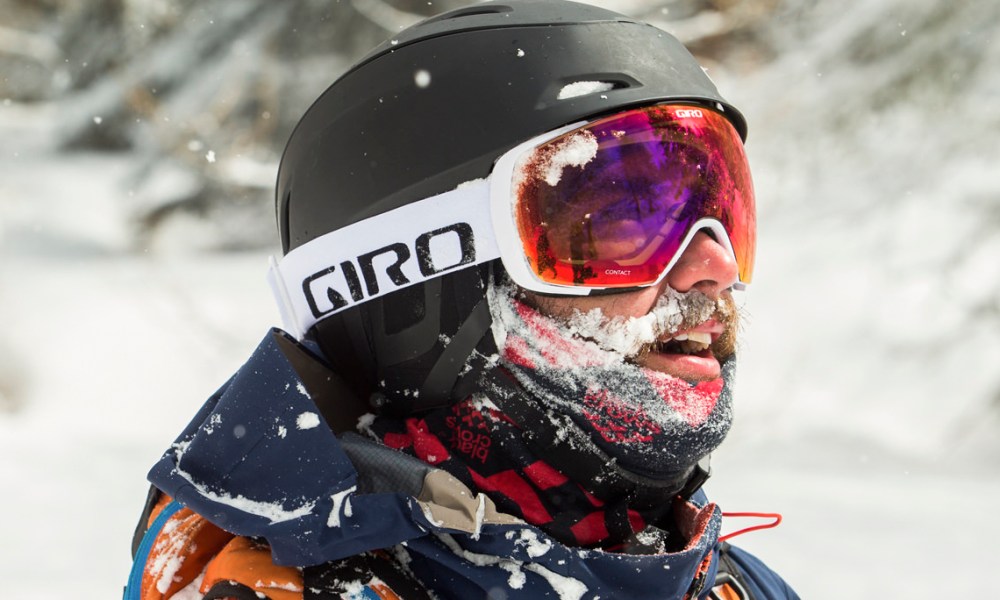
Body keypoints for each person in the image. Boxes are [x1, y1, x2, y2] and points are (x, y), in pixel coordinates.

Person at [124, 1, 800, 598]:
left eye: (721, 212)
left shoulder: (735, 586)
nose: (714, 267)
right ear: (416, 288)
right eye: (623, 225)